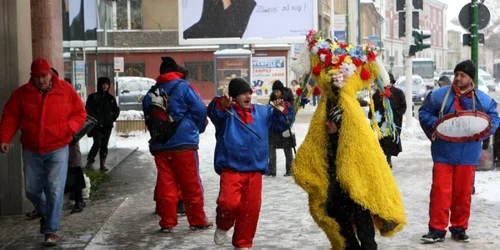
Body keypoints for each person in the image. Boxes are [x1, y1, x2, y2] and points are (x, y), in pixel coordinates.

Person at [292, 31, 406, 250]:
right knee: (342, 225)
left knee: (362, 227)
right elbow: (320, 147)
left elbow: (368, 158)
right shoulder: (325, 114)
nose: (337, 76)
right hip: (336, 184)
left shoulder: (355, 121)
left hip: (356, 186)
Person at [0, 58, 86, 246]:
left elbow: (80, 113)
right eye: (37, 77)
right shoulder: (22, 94)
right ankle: (47, 213)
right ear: (32, 76)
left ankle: (51, 230)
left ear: (50, 74)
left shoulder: (66, 90)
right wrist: (5, 138)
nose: (41, 80)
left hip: (58, 147)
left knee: (55, 189)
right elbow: (11, 116)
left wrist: (68, 128)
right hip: (32, 149)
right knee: (31, 189)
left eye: (44, 76)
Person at [419, 60, 500, 243]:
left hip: (468, 154)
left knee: (463, 193)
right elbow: (424, 113)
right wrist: (437, 126)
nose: (457, 78)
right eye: (456, 74)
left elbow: (494, 118)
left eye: (462, 75)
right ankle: (437, 229)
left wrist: (484, 130)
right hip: (443, 152)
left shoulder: (483, 99)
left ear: (471, 78)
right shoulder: (439, 96)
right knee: (440, 191)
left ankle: (459, 228)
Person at [207, 78, 293, 250]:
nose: (248, 96)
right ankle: (223, 224)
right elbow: (214, 111)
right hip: (231, 169)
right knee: (228, 204)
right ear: (234, 97)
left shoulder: (262, 112)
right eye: (243, 93)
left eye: (249, 93)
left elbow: (281, 124)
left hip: (255, 171)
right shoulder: (226, 114)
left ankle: (243, 244)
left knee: (250, 211)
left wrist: (281, 110)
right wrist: (221, 104)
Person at [142, 56, 212, 232]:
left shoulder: (152, 92)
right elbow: (200, 109)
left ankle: (167, 222)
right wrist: (197, 127)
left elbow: (148, 115)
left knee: (166, 184)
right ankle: (197, 220)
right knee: (191, 183)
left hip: (160, 145)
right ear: (176, 71)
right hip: (183, 144)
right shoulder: (183, 87)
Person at [369, 73, 407, 168]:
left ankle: (388, 158)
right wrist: (373, 116)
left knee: (390, 140)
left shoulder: (398, 92)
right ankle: (381, 158)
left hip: (393, 122)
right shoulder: (376, 94)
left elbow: (403, 107)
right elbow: (372, 107)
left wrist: (394, 113)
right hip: (380, 121)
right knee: (381, 140)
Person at [85, 77, 120, 171]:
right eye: (103, 84)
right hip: (96, 125)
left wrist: (112, 117)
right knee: (97, 143)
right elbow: (88, 109)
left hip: (107, 125)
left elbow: (116, 109)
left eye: (107, 84)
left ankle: (102, 164)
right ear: (100, 85)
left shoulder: (110, 98)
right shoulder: (93, 97)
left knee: (104, 144)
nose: (105, 86)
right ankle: (90, 161)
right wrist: (94, 118)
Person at [183, 0, 256, 39]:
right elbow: (204, 22)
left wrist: (226, 2)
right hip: (203, 37)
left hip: (221, 43)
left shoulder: (248, 3)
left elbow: (233, 34)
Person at [266, 80, 295, 177]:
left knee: (288, 150)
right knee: (271, 151)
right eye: (274, 91)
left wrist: (280, 111)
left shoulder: (287, 105)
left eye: (277, 91)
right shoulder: (271, 104)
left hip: (284, 131)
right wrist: (274, 110)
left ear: (282, 92)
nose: (276, 94)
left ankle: (290, 170)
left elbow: (288, 120)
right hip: (273, 130)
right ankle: (271, 170)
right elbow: (268, 116)